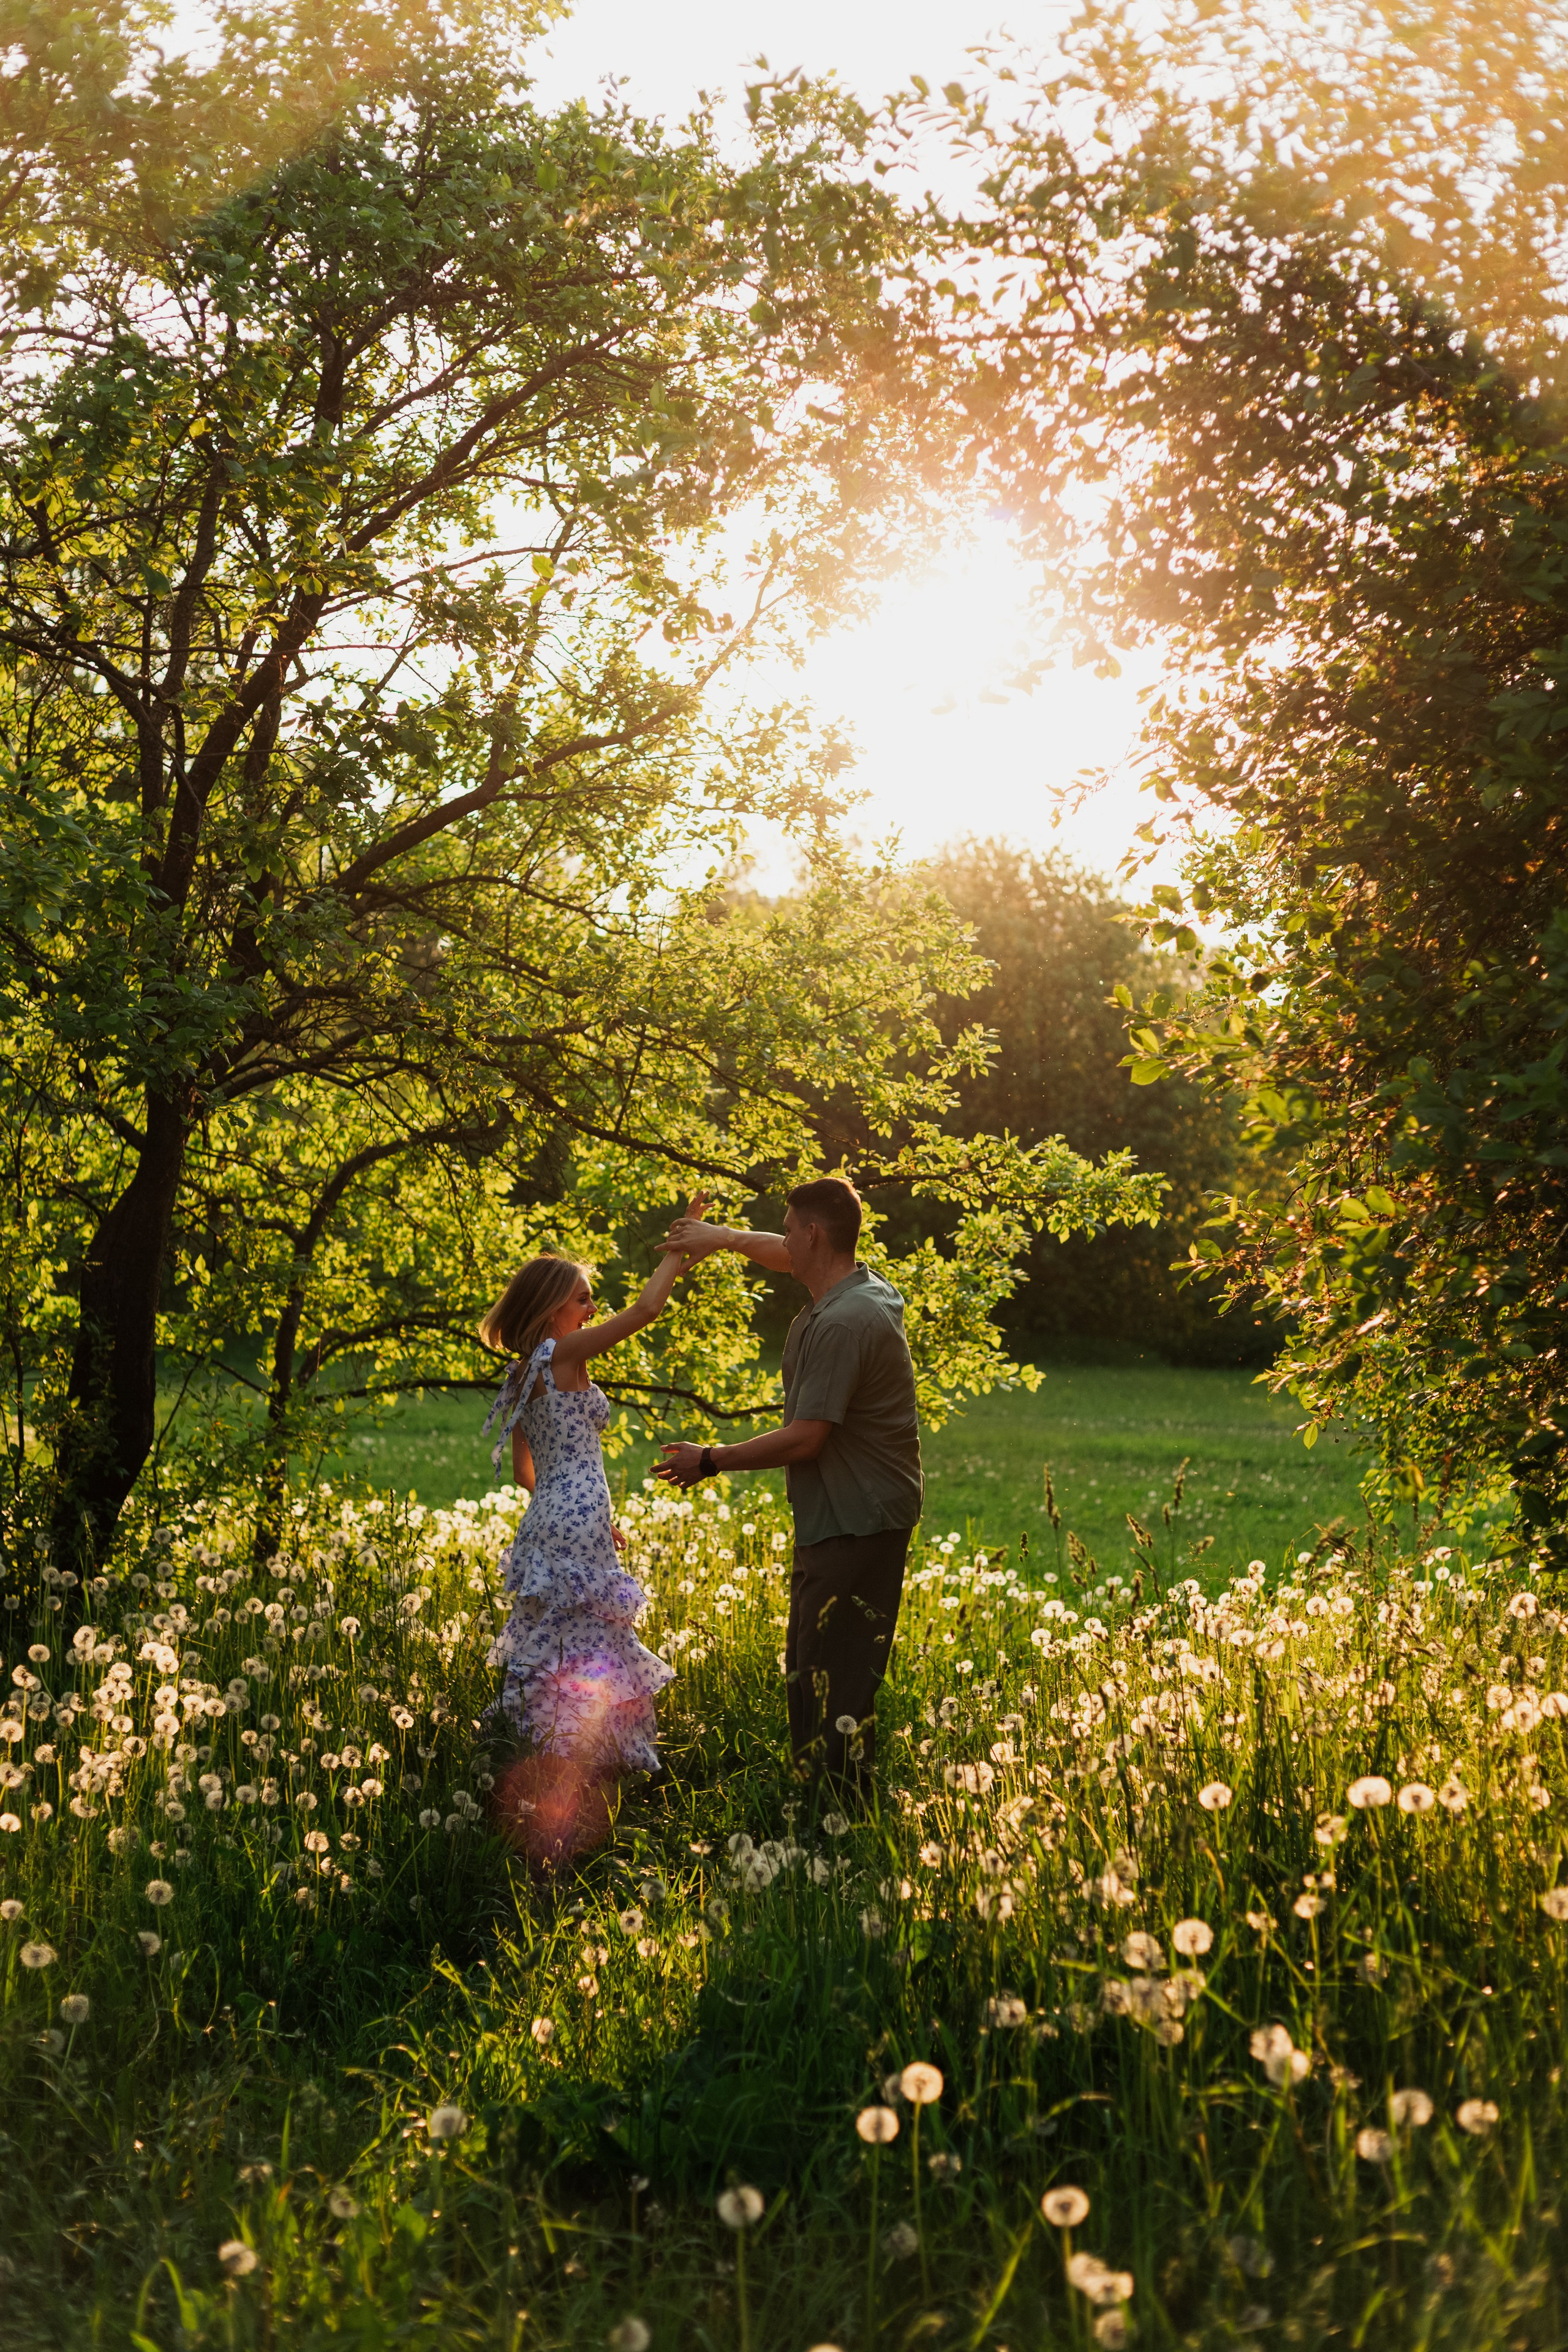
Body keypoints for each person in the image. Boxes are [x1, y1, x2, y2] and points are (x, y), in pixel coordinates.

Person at [655, 1177, 922, 1796]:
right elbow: (779, 1251)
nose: (782, 1241)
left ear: (814, 1235)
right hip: (850, 1513)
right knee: (815, 1667)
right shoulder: (856, 1286)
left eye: (789, 1228)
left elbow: (806, 1438)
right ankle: (824, 1806)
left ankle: (838, 1817)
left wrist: (711, 1459)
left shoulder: (844, 1323)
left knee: (833, 1676)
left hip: (856, 1519)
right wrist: (720, 1239)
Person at [480, 1227, 697, 1790]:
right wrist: (677, 1248)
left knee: (550, 1637)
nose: (591, 1307)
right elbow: (647, 1309)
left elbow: (528, 1473)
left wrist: (583, 1514)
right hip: (577, 1514)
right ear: (553, 1306)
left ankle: (538, 1744)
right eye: (581, 1297)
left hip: (549, 1517)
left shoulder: (524, 1370)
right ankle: (592, 1755)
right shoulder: (562, 1352)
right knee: (594, 1639)